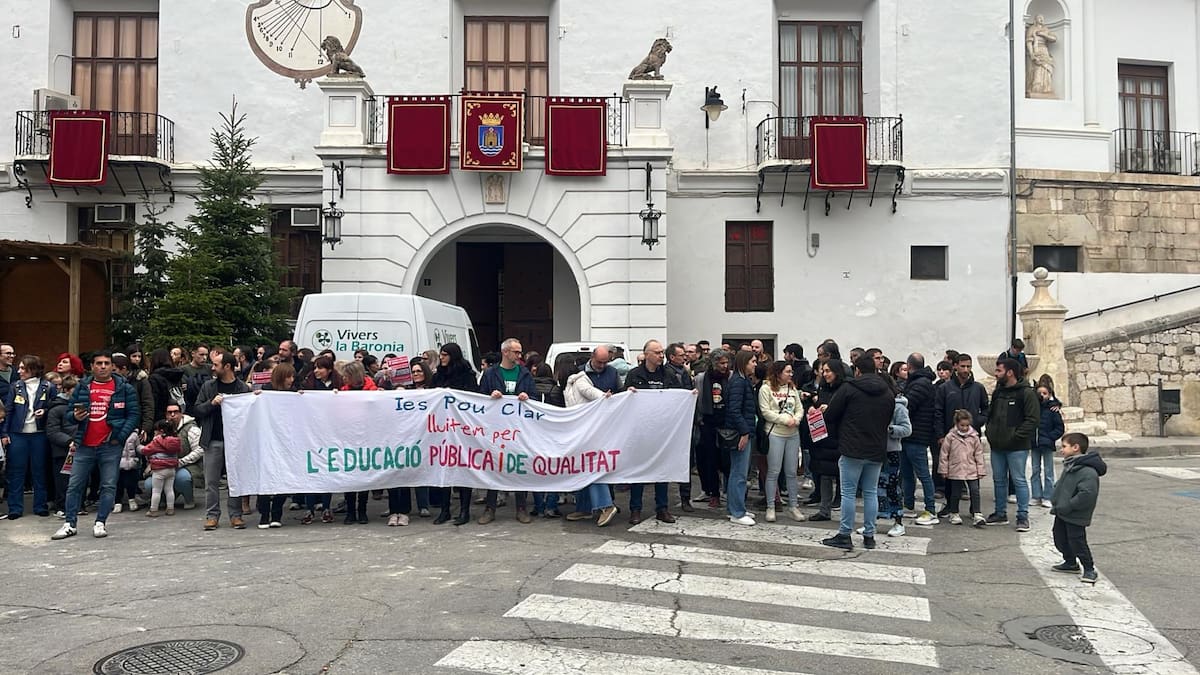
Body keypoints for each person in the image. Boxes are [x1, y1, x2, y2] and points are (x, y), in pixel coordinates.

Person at [52, 351, 140, 540]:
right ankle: (69, 524)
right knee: (74, 485)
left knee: (108, 486)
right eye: (98, 363)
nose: (102, 366)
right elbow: (69, 413)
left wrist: (120, 436)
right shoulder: (82, 387)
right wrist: (74, 417)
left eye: (106, 363)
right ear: (92, 366)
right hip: (84, 445)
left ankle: (100, 523)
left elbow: (133, 415)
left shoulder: (124, 388)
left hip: (110, 445)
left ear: (112, 366)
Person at [820, 354, 895, 551]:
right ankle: (869, 535)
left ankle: (845, 534)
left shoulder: (849, 388)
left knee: (848, 493)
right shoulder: (887, 392)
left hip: (852, 448)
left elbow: (831, 415)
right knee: (870, 492)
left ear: (857, 370)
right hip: (876, 448)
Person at [477, 338, 536, 524]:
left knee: (519, 467)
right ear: (505, 352)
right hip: (496, 430)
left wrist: (528, 397)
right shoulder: (490, 374)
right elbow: (479, 400)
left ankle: (521, 507)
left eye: (520, 352)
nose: (519, 356)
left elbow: (534, 398)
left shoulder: (524, 374)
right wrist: (490, 397)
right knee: (495, 467)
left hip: (518, 431)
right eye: (516, 352)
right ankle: (490, 507)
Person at [622, 339, 680, 525]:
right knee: (639, 470)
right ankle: (635, 509)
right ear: (646, 354)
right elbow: (623, 398)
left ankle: (662, 509)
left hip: (662, 431)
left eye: (662, 352)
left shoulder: (668, 374)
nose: (661, 355)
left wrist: (689, 395)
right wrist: (628, 393)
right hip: (641, 430)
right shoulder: (634, 374)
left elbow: (678, 395)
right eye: (657, 352)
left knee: (661, 470)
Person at [195, 352, 251, 531]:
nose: (212, 368)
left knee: (235, 479)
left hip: (236, 442)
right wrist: (212, 404)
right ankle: (212, 515)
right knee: (211, 481)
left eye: (216, 365)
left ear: (227, 367)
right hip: (213, 440)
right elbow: (197, 410)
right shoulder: (208, 387)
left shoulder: (242, 388)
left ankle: (236, 515)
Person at [984, 358, 1039, 532]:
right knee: (998, 480)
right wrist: (990, 432)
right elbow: (990, 415)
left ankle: (1022, 516)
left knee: (1019, 480)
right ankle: (1000, 513)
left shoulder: (1026, 393)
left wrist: (1016, 436)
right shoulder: (999, 392)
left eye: (999, 370)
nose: (996, 373)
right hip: (997, 445)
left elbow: (1032, 420)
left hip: (1017, 446)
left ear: (1010, 372)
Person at [562, 360, 620, 527]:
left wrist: (604, 396)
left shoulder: (579, 382)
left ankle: (606, 505)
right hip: (581, 432)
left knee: (592, 469)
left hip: (588, 432)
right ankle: (585, 508)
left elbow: (594, 394)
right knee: (582, 470)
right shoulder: (572, 383)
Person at [3, 355, 57, 519]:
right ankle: (15, 508)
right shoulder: (15, 386)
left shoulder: (48, 386)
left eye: (22, 368)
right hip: (17, 434)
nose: (19, 371)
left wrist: (45, 411)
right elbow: (8, 411)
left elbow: (55, 406)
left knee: (39, 470)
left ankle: (40, 505)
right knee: (16, 471)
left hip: (39, 435)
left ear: (32, 369)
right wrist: (4, 433)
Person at [430, 343, 478, 525]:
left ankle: (464, 511)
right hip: (441, 429)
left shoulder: (467, 375)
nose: (441, 358)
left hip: (461, 429)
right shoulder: (438, 376)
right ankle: (445, 510)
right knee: (444, 468)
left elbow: (473, 397)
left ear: (453, 355)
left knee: (463, 469)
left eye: (444, 355)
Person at [1050, 433, 1104, 584]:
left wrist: (1069, 504)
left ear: (1075, 448)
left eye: (1064, 446)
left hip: (1075, 514)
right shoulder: (1071, 464)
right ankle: (1070, 562)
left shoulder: (1087, 471)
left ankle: (1089, 568)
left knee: (1077, 541)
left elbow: (1087, 494)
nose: (1061, 450)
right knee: (1059, 537)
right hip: (1063, 511)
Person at [758, 360, 804, 523]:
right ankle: (771, 506)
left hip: (793, 434)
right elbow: (765, 412)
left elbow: (799, 408)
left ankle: (793, 506)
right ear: (778, 373)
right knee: (773, 471)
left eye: (791, 372)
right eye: (788, 371)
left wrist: (796, 419)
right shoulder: (766, 388)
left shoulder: (792, 389)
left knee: (792, 472)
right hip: (775, 433)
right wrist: (784, 420)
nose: (791, 374)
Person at [299, 356, 343, 524]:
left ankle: (326, 507)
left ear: (329, 370)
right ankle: (309, 509)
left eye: (320, 368)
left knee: (327, 471)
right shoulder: (308, 384)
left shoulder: (338, 385)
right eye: (315, 367)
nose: (316, 371)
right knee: (311, 471)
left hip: (330, 434)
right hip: (311, 434)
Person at [902, 353, 940, 525]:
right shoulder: (920, 381)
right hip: (910, 435)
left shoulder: (920, 383)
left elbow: (908, 404)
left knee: (923, 474)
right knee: (907, 473)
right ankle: (908, 505)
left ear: (909, 366)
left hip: (917, 435)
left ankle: (930, 509)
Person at [141, 401, 199, 510]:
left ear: (181, 413)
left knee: (182, 479)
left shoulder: (191, 428)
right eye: (169, 412)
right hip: (162, 467)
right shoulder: (159, 431)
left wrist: (180, 462)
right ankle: (164, 502)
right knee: (149, 485)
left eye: (175, 412)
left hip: (186, 466)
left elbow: (200, 450)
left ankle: (189, 500)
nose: (172, 415)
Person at [693, 350, 732, 508]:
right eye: (721, 363)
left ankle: (729, 492)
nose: (725, 366)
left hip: (726, 423)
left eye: (726, 363)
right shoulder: (701, 379)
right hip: (707, 423)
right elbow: (695, 400)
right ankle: (713, 493)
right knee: (710, 460)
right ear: (713, 364)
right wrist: (699, 420)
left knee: (727, 460)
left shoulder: (731, 377)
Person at [723, 350, 758, 526]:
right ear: (744, 363)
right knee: (739, 473)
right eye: (752, 361)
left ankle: (735, 507)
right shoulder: (739, 382)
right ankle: (737, 511)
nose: (755, 364)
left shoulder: (742, 380)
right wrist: (745, 432)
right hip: (740, 433)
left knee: (737, 472)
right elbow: (735, 410)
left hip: (743, 431)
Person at [339, 361, 376, 525]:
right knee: (349, 475)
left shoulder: (373, 390)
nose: (343, 378)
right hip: (349, 436)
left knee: (363, 474)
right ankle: (350, 511)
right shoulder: (342, 391)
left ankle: (362, 510)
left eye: (346, 375)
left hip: (367, 436)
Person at [938, 410, 987, 526]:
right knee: (955, 493)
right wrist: (944, 470)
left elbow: (978, 454)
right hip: (956, 469)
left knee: (975, 491)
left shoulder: (974, 437)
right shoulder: (950, 437)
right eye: (962, 425)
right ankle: (954, 512)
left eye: (967, 425)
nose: (964, 428)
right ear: (956, 423)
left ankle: (977, 513)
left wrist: (981, 469)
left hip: (971, 468)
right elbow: (944, 454)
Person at [45, 374, 79, 517]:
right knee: (63, 480)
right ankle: (62, 507)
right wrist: (68, 441)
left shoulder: (83, 406)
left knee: (79, 479)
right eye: (74, 390)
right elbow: (52, 431)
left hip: (82, 448)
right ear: (65, 390)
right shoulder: (56, 408)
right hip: (62, 450)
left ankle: (79, 505)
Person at [881, 378, 911, 536]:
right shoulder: (876, 404)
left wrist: (891, 429)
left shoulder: (899, 407)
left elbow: (907, 429)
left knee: (892, 488)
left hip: (892, 450)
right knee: (874, 489)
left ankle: (898, 521)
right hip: (875, 451)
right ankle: (872, 520)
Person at [1033, 384, 1065, 509]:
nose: (1042, 395)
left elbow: (1059, 428)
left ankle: (1048, 496)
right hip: (1035, 443)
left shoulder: (1053, 410)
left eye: (1045, 393)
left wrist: (1050, 437)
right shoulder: (1033, 408)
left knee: (1048, 471)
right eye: (1039, 393)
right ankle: (1036, 496)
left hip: (1046, 444)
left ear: (1050, 395)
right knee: (1035, 470)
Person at [140, 420, 181, 517]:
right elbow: (180, 450)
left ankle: (153, 510)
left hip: (159, 469)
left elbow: (147, 450)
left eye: (156, 430)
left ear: (161, 431)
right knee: (169, 489)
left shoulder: (157, 440)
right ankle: (170, 509)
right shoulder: (176, 440)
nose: (154, 432)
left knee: (156, 490)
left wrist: (139, 447)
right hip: (171, 469)